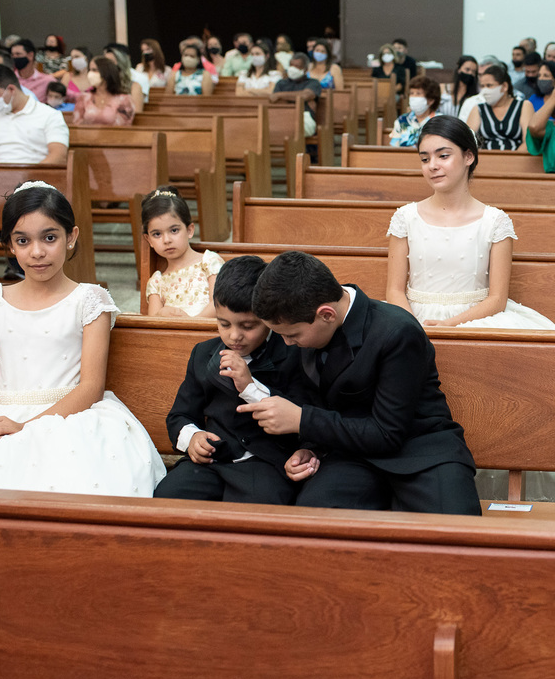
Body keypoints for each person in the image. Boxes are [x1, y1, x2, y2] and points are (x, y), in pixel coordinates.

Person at [0, 182, 165, 495]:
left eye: (50, 237)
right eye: (23, 240)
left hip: (66, 416)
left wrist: (26, 428)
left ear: (71, 237)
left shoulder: (90, 300)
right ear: (10, 245)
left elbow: (91, 386)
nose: (37, 252)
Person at [242, 250, 483, 515]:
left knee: (453, 531)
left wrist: (302, 420)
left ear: (326, 314)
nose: (287, 343)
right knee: (313, 520)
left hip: (419, 451)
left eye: (292, 335)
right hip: (350, 456)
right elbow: (313, 399)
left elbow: (388, 433)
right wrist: (309, 448)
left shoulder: (397, 331)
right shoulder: (302, 324)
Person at [386, 115, 555, 329]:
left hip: (476, 319)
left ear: (468, 156)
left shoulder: (495, 222)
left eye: (443, 156)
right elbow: (394, 290)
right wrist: (414, 328)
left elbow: (497, 298)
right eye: (425, 159)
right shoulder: (405, 217)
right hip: (412, 318)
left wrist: (449, 324)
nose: (432, 166)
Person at [154, 255, 300, 505]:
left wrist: (250, 386)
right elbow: (180, 415)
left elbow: (300, 416)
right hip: (212, 459)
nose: (234, 336)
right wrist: (193, 438)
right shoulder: (203, 354)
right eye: (224, 324)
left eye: (248, 326)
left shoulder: (290, 353)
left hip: (263, 462)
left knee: (263, 508)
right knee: (168, 496)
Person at [142, 186, 224, 317]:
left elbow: (218, 304)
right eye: (157, 234)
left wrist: (191, 324)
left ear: (190, 230)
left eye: (174, 230)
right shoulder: (156, 282)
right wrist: (161, 314)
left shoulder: (209, 262)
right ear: (149, 240)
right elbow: (153, 323)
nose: (167, 240)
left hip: (207, 328)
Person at [0, 65, 68, 164]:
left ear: (11, 89)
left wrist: (31, 175)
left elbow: (59, 156)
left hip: (36, 172)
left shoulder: (50, 115)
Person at [467, 64, 531, 150]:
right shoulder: (478, 109)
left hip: (516, 156)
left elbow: (528, 142)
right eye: (482, 86)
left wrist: (513, 158)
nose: (485, 91)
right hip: (485, 157)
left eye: (489, 85)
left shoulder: (524, 106)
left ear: (504, 86)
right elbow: (467, 142)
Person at [72, 56, 135, 127]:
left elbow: (124, 126)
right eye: (90, 70)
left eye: (94, 70)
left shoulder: (124, 100)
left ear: (106, 72)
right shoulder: (83, 98)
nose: (90, 73)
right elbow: (77, 124)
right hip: (86, 134)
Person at [270, 52, 320, 137]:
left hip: (304, 117)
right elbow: (274, 99)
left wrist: (280, 95)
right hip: (283, 116)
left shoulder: (313, 83)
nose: (293, 69)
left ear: (305, 69)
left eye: (297, 66)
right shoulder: (281, 83)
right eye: (291, 65)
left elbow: (305, 96)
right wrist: (295, 97)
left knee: (294, 128)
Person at [389, 74, 440, 148]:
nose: (414, 97)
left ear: (431, 100)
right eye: (412, 93)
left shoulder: (440, 121)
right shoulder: (401, 120)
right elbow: (393, 148)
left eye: (418, 93)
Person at [103, 43, 146, 111]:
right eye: (105, 62)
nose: (106, 65)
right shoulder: (102, 86)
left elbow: (137, 113)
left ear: (120, 64)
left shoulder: (134, 87)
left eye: (110, 62)